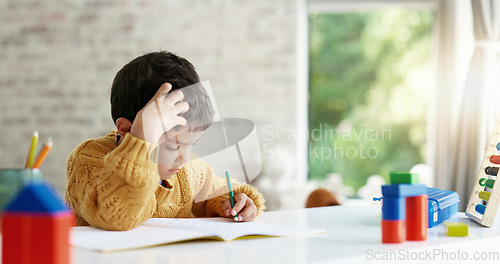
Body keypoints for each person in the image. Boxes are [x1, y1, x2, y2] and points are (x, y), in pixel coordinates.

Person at [65, 51, 265, 231]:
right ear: (127, 130)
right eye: (173, 146)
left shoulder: (187, 172)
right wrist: (142, 140)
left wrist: (235, 203)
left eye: (191, 144)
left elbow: (218, 192)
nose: (184, 158)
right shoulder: (89, 161)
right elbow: (116, 217)